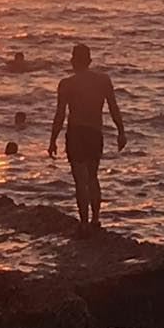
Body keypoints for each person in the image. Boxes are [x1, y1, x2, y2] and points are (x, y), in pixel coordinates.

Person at [48, 43, 127, 236]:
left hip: (76, 132)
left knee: (79, 180)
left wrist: (52, 140)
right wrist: (121, 131)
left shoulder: (66, 84)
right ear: (89, 61)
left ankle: (84, 223)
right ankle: (95, 219)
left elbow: (60, 115)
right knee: (92, 177)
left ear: (73, 61)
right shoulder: (103, 81)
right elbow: (113, 108)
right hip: (94, 132)